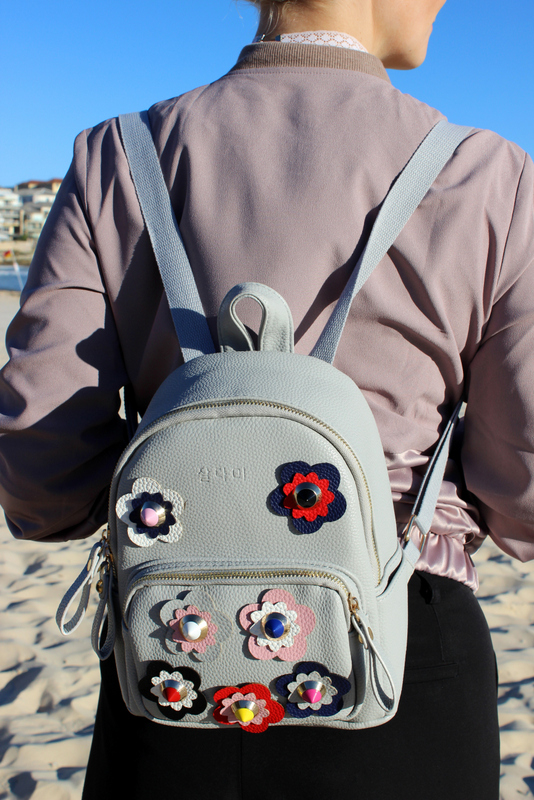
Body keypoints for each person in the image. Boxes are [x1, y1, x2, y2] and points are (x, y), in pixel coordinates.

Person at [1, 0, 533, 797]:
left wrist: (188, 492)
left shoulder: (119, 154)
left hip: (175, 643)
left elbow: (41, 478)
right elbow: (526, 498)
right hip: (401, 645)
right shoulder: (489, 173)